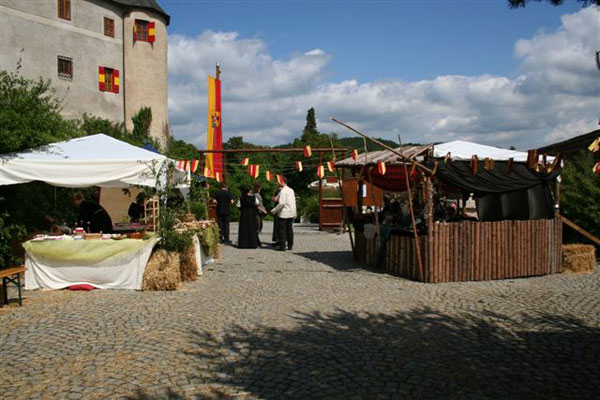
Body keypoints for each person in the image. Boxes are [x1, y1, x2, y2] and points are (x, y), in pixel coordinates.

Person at [271, 177, 296, 251]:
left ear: (282, 182)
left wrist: (274, 210)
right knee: (290, 230)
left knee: (282, 230)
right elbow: (293, 202)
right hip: (291, 212)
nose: (278, 183)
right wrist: (294, 212)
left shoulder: (283, 191)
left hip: (284, 212)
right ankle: (290, 245)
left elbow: (281, 203)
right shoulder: (291, 190)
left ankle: (282, 246)